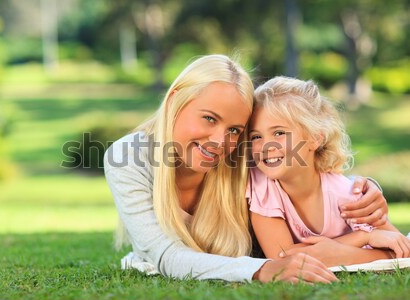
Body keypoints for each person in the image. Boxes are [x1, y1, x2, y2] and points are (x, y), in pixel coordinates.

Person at [104, 55, 388, 284]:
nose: (219, 141)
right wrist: (262, 270)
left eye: (235, 130)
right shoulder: (128, 157)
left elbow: (307, 169)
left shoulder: (243, 153)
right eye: (209, 118)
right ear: (174, 100)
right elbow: (168, 257)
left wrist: (364, 187)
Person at [248, 76, 410, 264]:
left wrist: (341, 251)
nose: (266, 146)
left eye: (279, 133)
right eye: (256, 136)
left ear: (315, 139)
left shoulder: (347, 195)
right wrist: (362, 238)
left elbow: (402, 249)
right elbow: (281, 256)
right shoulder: (262, 185)